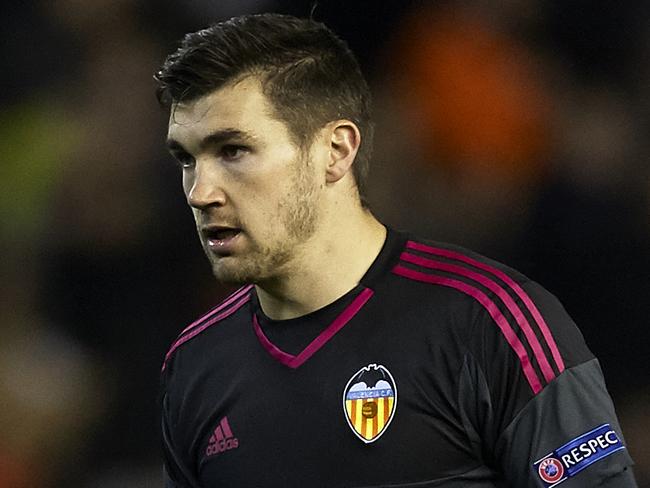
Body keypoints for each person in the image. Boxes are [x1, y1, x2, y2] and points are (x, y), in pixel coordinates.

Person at [154, 13, 637, 488]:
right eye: (187, 158)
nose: (200, 191)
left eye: (233, 151)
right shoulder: (194, 367)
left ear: (336, 151)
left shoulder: (492, 324)